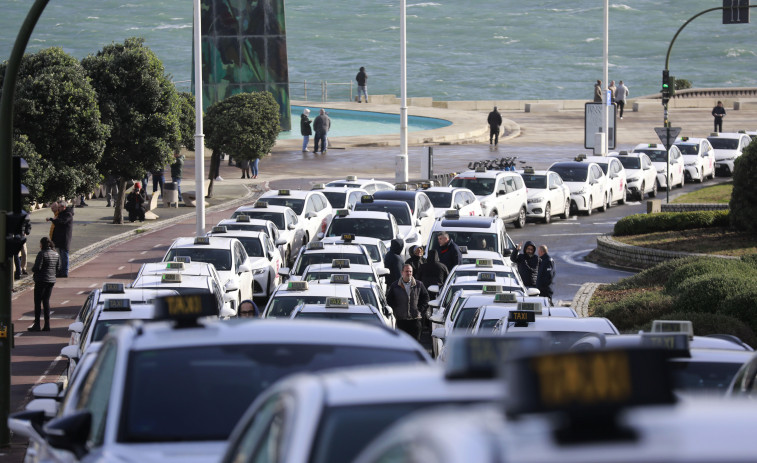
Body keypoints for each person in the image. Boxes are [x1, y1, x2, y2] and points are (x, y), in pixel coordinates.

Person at [385, 264, 430, 342]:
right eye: (406, 271)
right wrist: (395, 311)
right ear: (402, 272)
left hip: (415, 321)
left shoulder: (419, 284)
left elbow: (426, 298)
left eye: (410, 271)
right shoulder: (395, 285)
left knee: (415, 346)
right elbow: (389, 300)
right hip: (401, 321)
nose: (408, 273)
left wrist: (420, 310)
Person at [28, 237, 60, 332]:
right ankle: (47, 325)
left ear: (42, 244)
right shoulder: (56, 254)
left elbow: (37, 267)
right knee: (46, 302)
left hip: (41, 280)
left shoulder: (42, 253)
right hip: (51, 280)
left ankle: (37, 324)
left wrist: (33, 269)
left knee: (37, 302)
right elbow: (58, 268)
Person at [48, 200, 73, 278]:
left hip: (65, 238)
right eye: (58, 207)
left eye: (59, 207)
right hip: (59, 238)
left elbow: (62, 222)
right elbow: (57, 223)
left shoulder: (68, 214)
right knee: (60, 256)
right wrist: (53, 220)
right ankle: (61, 271)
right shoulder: (60, 214)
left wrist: (53, 219)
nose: (58, 209)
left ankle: (64, 272)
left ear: (64, 207)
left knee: (64, 255)